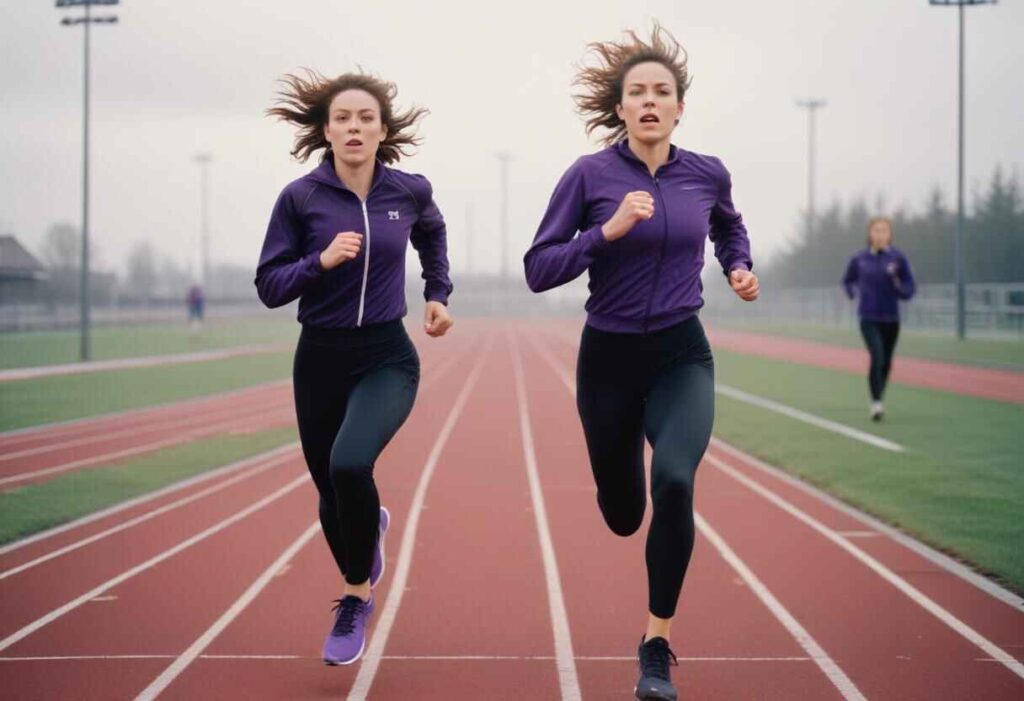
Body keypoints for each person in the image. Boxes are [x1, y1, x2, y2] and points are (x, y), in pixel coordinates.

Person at [523, 24, 757, 701]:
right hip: (609, 360)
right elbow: (539, 268)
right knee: (625, 512)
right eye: (637, 93)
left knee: (676, 482)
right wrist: (607, 231)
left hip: (682, 353)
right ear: (620, 108)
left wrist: (737, 264)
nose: (650, 101)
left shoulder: (706, 173)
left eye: (662, 92)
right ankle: (619, 492)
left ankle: (655, 645)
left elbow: (728, 224)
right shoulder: (589, 176)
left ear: (680, 107)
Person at [255, 69, 454, 666]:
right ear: (325, 130)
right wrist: (319, 261)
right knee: (329, 493)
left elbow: (434, 237)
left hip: (386, 356)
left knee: (349, 462)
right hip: (318, 358)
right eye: (342, 118)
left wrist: (438, 294)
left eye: (365, 118)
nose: (354, 127)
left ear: (382, 130)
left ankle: (354, 597)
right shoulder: (300, 199)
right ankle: (368, 536)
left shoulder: (409, 192)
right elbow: (269, 286)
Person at [842, 217, 916, 420]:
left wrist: (902, 290)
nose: (880, 234)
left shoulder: (897, 258)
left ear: (890, 234)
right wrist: (851, 291)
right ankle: (876, 403)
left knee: (887, 362)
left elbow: (910, 285)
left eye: (884, 230)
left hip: (891, 318)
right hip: (868, 316)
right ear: (870, 234)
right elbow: (847, 280)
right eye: (876, 230)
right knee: (877, 355)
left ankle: (879, 394)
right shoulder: (860, 258)